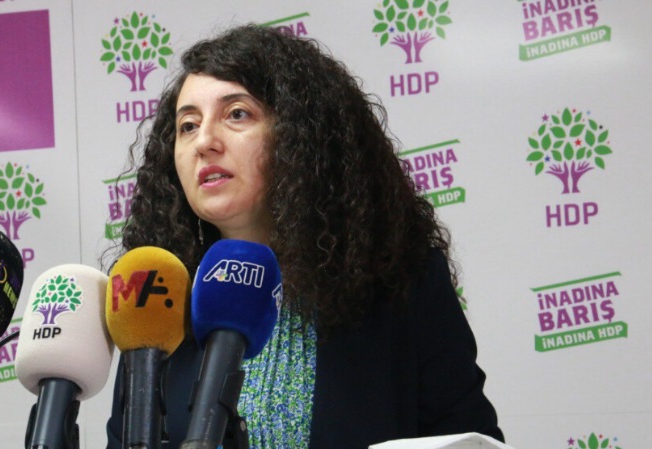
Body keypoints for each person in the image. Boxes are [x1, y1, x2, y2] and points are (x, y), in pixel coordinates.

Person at [106, 24, 504, 449]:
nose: (204, 141)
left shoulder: (401, 285)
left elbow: (471, 439)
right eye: (188, 125)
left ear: (300, 136)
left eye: (237, 114)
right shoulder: (156, 304)